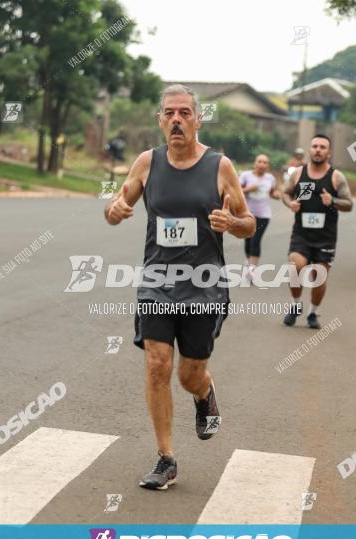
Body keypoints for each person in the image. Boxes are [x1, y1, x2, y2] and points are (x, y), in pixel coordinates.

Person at [104, 84, 255, 491]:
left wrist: (232, 224)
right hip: (157, 283)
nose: (176, 120)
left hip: (203, 286)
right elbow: (114, 209)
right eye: (169, 113)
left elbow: (248, 223)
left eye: (184, 113)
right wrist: (115, 210)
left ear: (197, 118)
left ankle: (204, 393)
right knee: (156, 364)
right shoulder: (146, 163)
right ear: (160, 120)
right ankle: (166, 458)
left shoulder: (220, 166)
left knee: (189, 375)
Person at [281, 134, 353, 329]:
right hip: (301, 234)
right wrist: (291, 203)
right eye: (315, 146)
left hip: (325, 237)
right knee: (295, 267)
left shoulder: (336, 177)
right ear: (310, 150)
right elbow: (285, 193)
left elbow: (349, 204)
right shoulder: (298, 173)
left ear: (328, 152)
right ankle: (296, 306)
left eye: (322, 147)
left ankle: (312, 313)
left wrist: (334, 201)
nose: (318, 150)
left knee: (318, 277)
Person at [239, 154, 281, 283]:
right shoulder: (246, 176)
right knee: (248, 241)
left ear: (267, 166)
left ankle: (252, 272)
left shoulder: (270, 178)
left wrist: (276, 195)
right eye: (260, 162)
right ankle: (249, 261)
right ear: (255, 163)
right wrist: (248, 189)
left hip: (263, 215)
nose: (262, 164)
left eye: (265, 162)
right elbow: (236, 191)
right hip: (247, 214)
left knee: (255, 241)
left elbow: (273, 192)